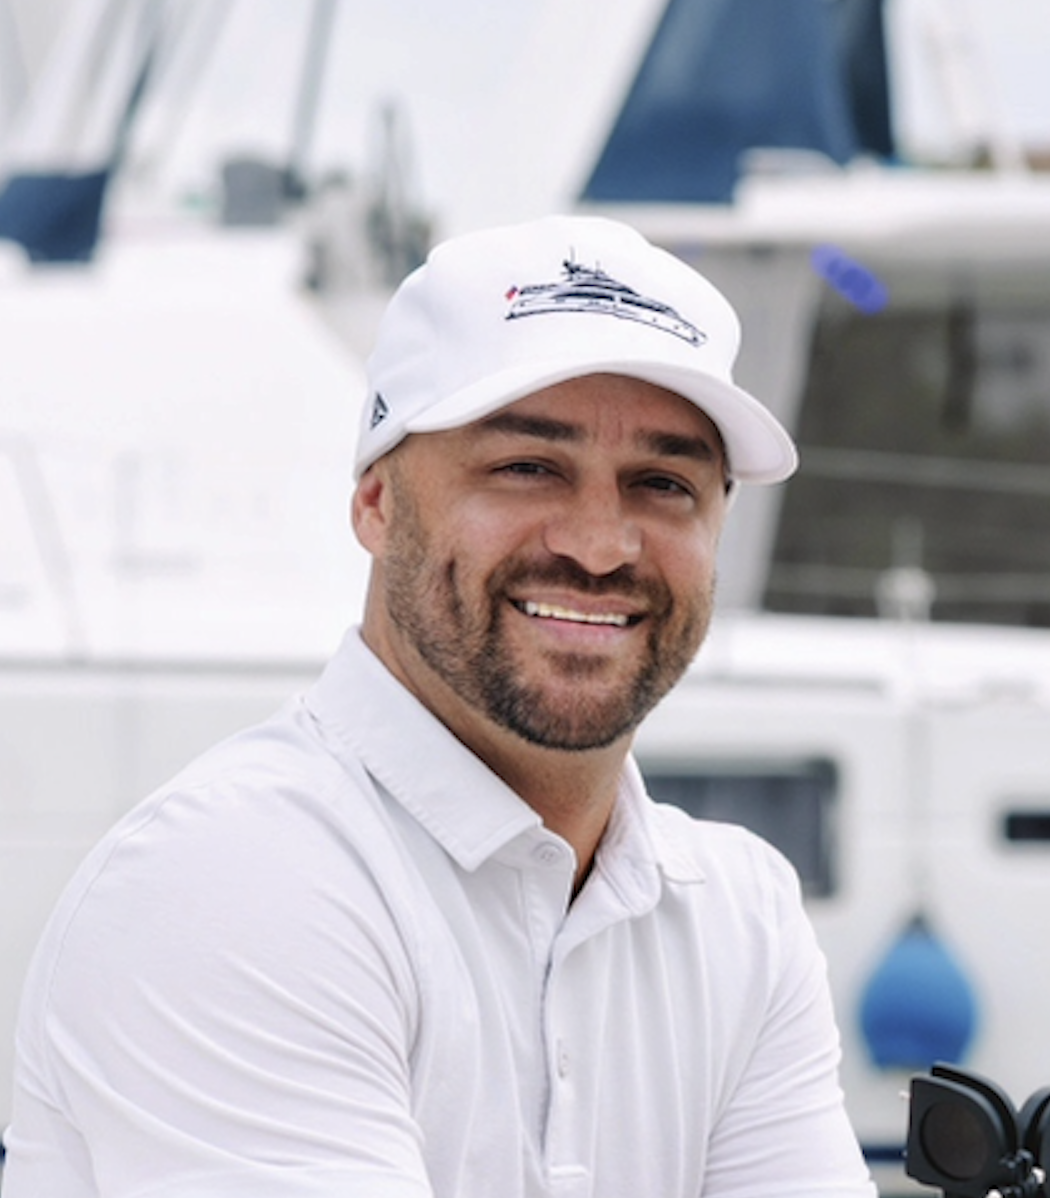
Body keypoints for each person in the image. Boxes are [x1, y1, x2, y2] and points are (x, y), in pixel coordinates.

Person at [3, 214, 876, 1197]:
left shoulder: (739, 918)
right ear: (376, 503)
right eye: (526, 467)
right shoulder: (231, 877)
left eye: (663, 483)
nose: (600, 544)